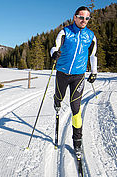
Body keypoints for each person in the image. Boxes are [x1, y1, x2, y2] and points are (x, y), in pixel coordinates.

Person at [50, 6, 97, 157]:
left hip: (79, 76)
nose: (84, 20)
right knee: (59, 97)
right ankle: (56, 103)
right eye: (81, 17)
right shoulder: (65, 32)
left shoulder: (91, 36)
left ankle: (77, 141)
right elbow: (54, 47)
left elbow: (93, 56)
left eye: (87, 18)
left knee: (75, 108)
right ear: (75, 17)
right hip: (62, 73)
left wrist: (94, 72)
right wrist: (54, 53)